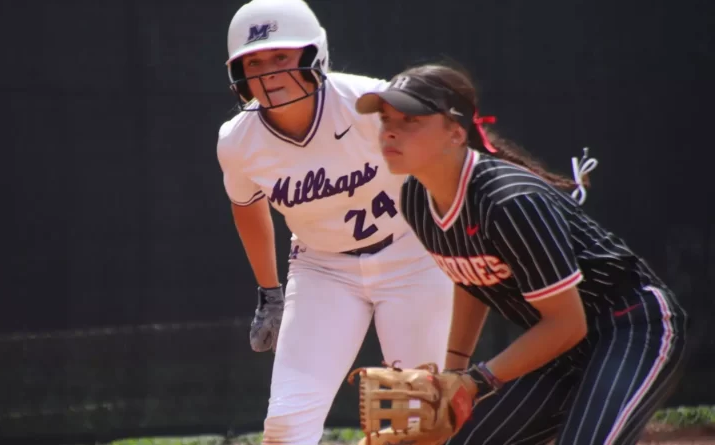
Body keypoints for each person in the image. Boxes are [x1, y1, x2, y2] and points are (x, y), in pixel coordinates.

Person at [354, 63, 690, 445]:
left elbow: (567, 324)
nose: (391, 131)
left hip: (631, 327)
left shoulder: (510, 201)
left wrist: (475, 382)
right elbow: (471, 279)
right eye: (385, 119)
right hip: (561, 347)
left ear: (455, 132)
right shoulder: (415, 197)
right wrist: (452, 374)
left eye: (411, 119)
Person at [215, 1, 456, 443]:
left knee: (416, 419)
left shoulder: (368, 104)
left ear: (313, 55)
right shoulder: (238, 140)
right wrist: (269, 291)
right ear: (237, 73)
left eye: (281, 57)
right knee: (286, 423)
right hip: (322, 269)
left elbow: (449, 152)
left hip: (410, 256)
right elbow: (247, 205)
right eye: (254, 62)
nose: (267, 73)